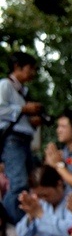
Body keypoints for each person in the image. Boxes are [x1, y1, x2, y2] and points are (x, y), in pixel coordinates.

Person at [1, 52, 45, 225]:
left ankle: (23, 220)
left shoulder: (22, 91)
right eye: (30, 68)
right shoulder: (5, 85)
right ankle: (13, 224)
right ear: (17, 67)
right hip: (13, 140)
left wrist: (33, 120)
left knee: (29, 182)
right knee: (18, 183)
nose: (33, 73)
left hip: (24, 141)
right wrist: (23, 110)